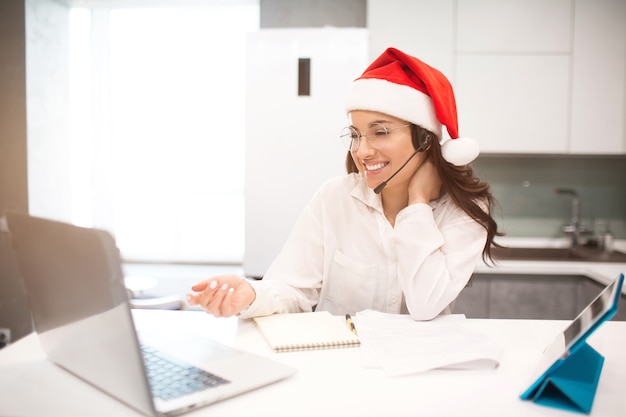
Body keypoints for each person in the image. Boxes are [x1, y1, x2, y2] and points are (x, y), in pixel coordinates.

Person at [187, 47, 501, 320]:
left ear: (424, 140)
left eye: (380, 131)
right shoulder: (334, 198)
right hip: (337, 368)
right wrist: (251, 296)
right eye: (355, 135)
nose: (362, 151)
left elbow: (426, 305)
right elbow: (292, 287)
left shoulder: (464, 211)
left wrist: (418, 202)